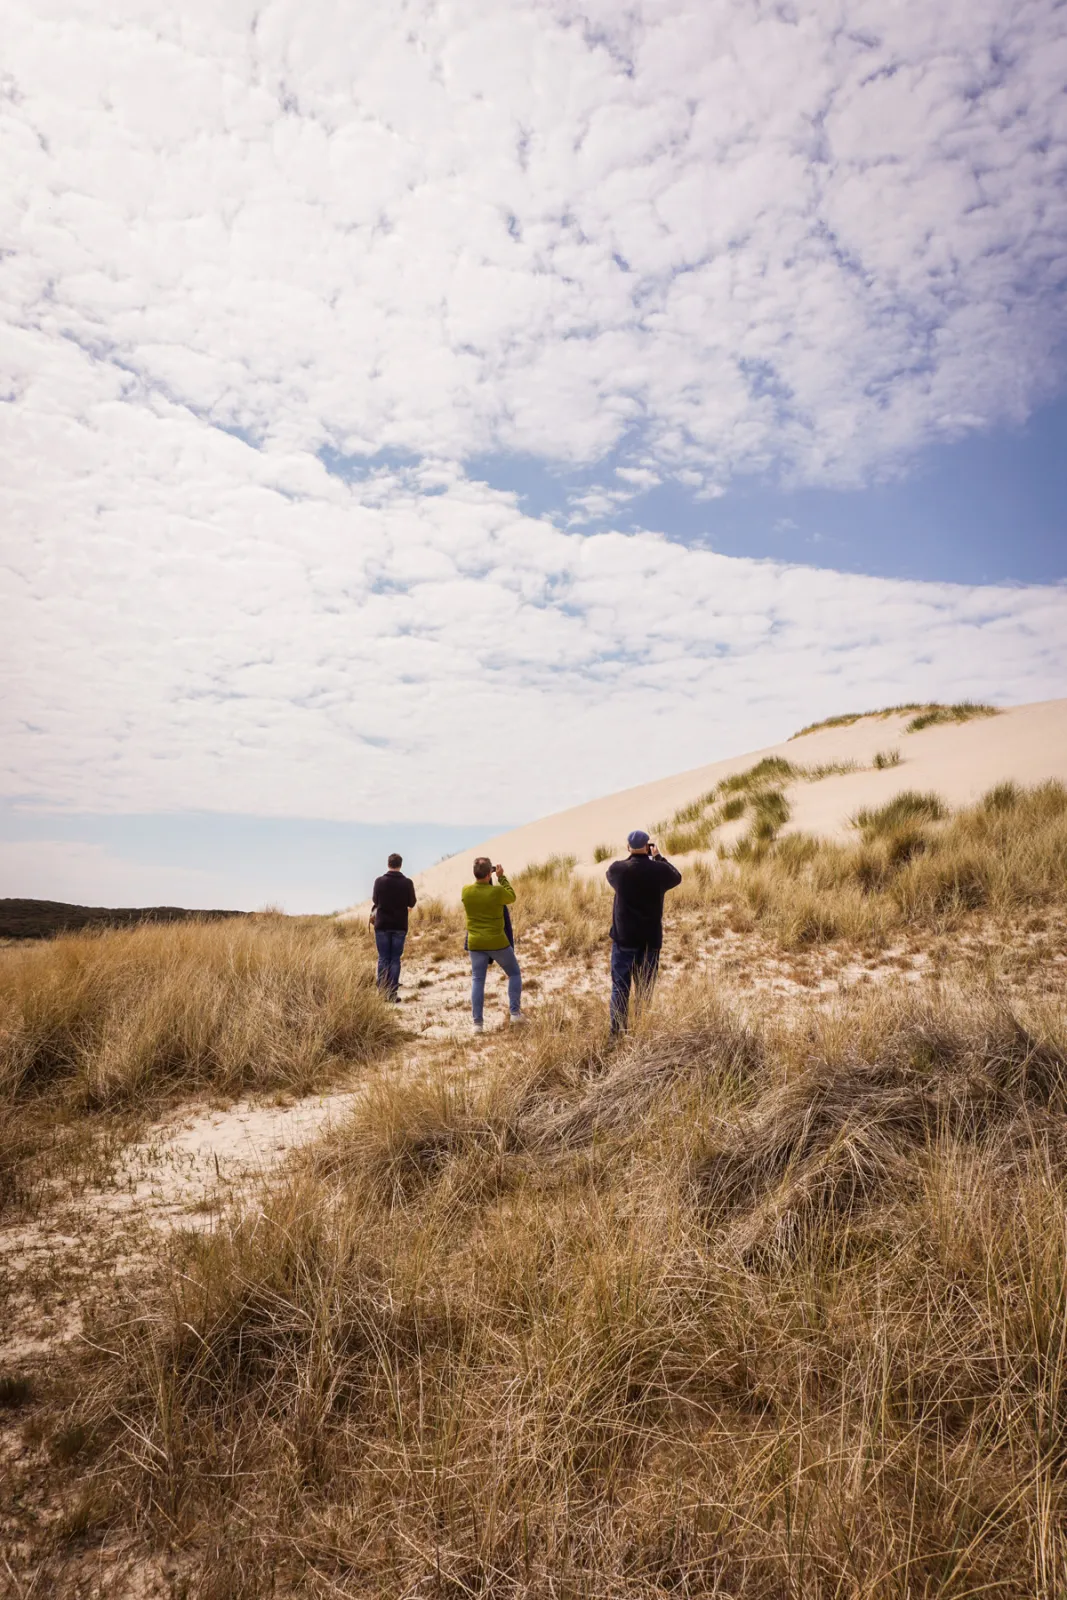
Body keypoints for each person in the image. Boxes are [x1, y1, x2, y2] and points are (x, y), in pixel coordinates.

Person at [605, 830, 681, 1034]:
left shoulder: (618, 870)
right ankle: (641, 1031)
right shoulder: (659, 870)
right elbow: (676, 876)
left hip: (624, 940)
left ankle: (617, 1034)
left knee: (620, 988)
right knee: (644, 990)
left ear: (628, 847)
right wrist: (658, 857)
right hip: (650, 941)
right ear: (648, 846)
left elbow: (611, 874)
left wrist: (634, 856)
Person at [461, 856, 526, 1032]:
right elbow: (511, 896)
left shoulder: (466, 891)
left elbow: (476, 891)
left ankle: (477, 1024)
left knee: (478, 980)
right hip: (497, 942)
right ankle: (514, 1013)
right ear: (489, 874)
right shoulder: (497, 892)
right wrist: (501, 877)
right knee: (514, 973)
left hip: (476, 943)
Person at [369, 852, 417, 1002]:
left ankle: (382, 993)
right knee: (395, 959)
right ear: (400, 865)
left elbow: (375, 900)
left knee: (383, 958)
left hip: (382, 925)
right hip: (399, 925)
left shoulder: (379, 881)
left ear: (388, 864)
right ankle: (392, 994)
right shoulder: (407, 882)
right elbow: (412, 902)